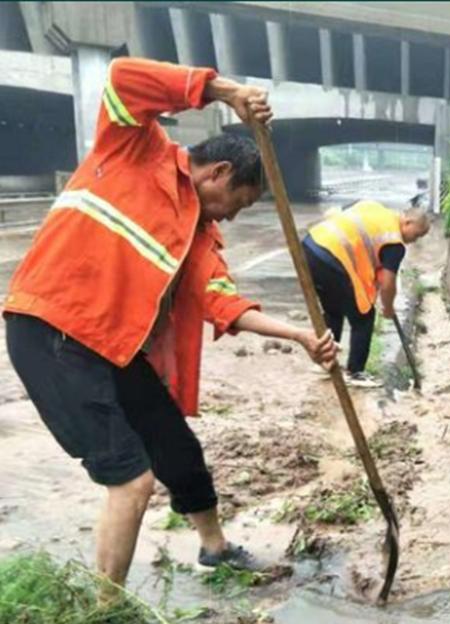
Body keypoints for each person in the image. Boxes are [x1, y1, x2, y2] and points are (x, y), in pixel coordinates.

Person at [2, 57, 337, 591]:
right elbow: (122, 78)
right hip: (52, 329)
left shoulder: (198, 236)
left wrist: (299, 336)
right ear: (219, 173)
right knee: (132, 480)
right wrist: (223, 91)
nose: (232, 216)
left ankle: (215, 547)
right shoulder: (135, 147)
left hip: (111, 348)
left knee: (175, 444)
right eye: (238, 204)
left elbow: (224, 302)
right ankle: (105, 605)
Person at [302, 201, 430, 387]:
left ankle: (325, 363)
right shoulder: (394, 242)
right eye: (416, 235)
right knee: (364, 317)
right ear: (407, 222)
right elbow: (388, 283)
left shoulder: (376, 209)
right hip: (333, 257)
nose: (414, 240)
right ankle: (355, 372)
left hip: (310, 246)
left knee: (333, 311)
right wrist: (387, 307)